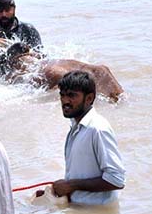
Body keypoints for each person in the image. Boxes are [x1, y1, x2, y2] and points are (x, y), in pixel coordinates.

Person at [52, 70, 125, 205]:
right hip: (80, 213)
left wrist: (71, 186)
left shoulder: (97, 129)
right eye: (62, 95)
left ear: (89, 98)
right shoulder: (76, 127)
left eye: (72, 96)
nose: (65, 101)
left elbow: (116, 179)